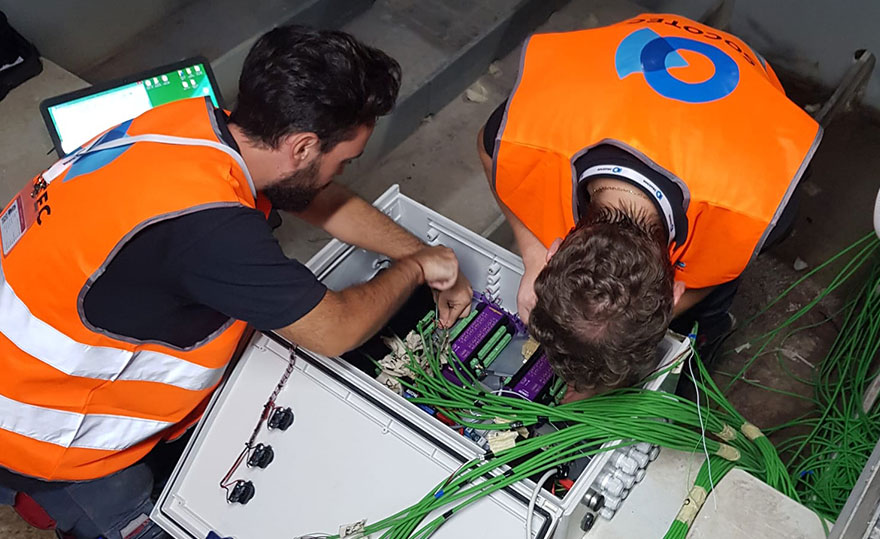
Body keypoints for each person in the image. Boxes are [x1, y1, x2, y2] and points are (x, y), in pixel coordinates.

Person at [0, 26, 471, 538]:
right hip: (44, 431)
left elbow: (318, 198)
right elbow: (336, 330)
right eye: (343, 160)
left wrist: (422, 252)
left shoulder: (189, 124)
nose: (341, 172)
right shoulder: (210, 231)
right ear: (303, 146)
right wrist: (417, 270)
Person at [478, 14, 820, 398]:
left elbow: (721, 270)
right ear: (556, 249)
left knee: (711, 309)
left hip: (746, 76)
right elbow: (488, 146)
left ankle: (706, 341)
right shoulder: (528, 132)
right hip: (641, 39)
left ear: (677, 293)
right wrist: (532, 254)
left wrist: (631, 336)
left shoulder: (757, 211)